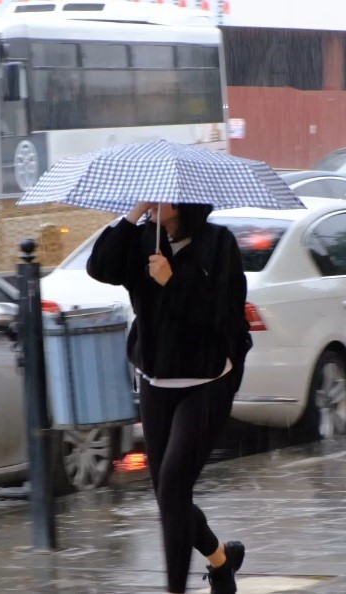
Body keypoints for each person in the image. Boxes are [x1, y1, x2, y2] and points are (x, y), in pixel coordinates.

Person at [87, 201, 251, 594]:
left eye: (161, 196)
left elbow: (222, 314)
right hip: (155, 379)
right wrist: (133, 215)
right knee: (167, 495)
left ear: (186, 202)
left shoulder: (218, 243)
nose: (153, 202)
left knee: (174, 485)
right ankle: (220, 562)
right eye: (149, 196)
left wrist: (173, 281)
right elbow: (100, 267)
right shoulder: (144, 238)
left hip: (207, 379)